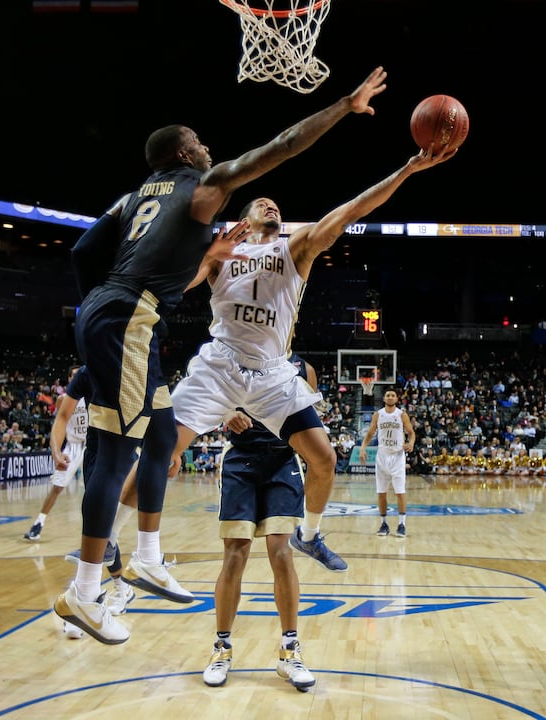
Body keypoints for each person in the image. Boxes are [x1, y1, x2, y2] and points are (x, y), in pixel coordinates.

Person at [55, 66, 390, 644]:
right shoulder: (210, 217)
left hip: (236, 360)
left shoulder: (280, 239)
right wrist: (345, 105)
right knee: (133, 455)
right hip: (193, 351)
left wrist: (99, 312)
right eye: (201, 144)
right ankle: (97, 572)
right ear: (188, 153)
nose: (210, 149)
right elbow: (280, 148)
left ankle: (162, 554)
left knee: (171, 441)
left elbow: (88, 249)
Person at [168, 144, 457, 570]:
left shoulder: (295, 247)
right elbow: (177, 287)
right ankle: (109, 546)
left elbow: (350, 210)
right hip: (222, 365)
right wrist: (209, 256)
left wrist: (408, 169)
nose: (271, 206)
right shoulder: (222, 253)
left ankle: (309, 534)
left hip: (272, 372)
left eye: (276, 205)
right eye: (262, 202)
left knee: (324, 459)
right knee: (161, 456)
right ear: (244, 219)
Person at [202, 352, 319, 690]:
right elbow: (208, 401)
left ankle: (289, 650)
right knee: (235, 553)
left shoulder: (303, 369)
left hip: (283, 460)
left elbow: (308, 422)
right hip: (240, 459)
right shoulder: (232, 355)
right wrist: (227, 413)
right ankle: (221, 648)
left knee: (281, 552)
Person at [23, 365, 94, 543]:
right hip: (73, 446)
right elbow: (59, 425)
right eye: (75, 375)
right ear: (70, 379)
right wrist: (56, 452)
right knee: (57, 486)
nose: (79, 378)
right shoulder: (64, 399)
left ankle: (99, 533)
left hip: (92, 444)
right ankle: (38, 523)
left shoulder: (94, 394)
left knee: (95, 490)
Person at [359, 387, 416, 538]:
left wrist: (411, 443)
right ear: (384, 398)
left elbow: (411, 432)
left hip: (397, 456)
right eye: (388, 395)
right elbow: (370, 433)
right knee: (381, 492)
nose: (390, 397)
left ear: (397, 399)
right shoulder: (378, 415)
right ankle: (383, 523)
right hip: (382, 456)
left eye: (393, 395)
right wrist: (363, 448)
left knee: (400, 492)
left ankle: (402, 524)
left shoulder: (401, 415)